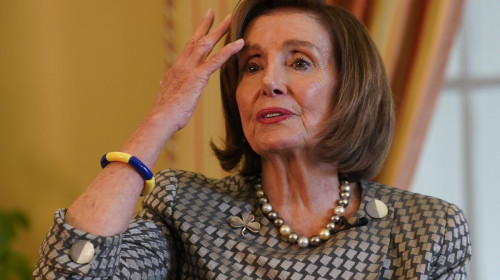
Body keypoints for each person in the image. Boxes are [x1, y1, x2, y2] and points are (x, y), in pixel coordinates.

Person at [33, 0, 472, 279]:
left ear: (350, 89)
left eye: (299, 62)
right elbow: (69, 271)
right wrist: (161, 117)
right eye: (252, 66)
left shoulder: (427, 231)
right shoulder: (185, 209)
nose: (270, 82)